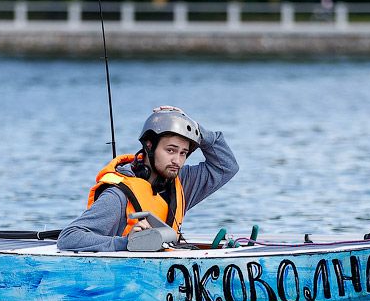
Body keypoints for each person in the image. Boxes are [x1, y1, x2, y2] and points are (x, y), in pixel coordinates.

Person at [57, 106, 238, 252]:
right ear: (149, 146)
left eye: (183, 153)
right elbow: (69, 237)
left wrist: (196, 129)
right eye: (170, 150)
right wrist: (125, 242)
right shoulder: (118, 196)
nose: (177, 160)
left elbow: (226, 167)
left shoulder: (181, 181)